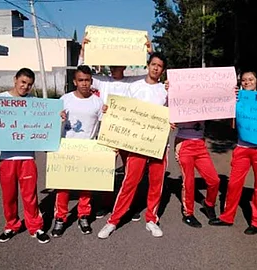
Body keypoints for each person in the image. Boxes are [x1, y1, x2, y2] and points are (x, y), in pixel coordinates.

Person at [0, 68, 51, 244]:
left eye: (29, 84)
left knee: (30, 196)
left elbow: (47, 122)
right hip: (6, 158)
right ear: (15, 80)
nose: (25, 87)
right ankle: (11, 225)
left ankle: (35, 227)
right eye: (23, 82)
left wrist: (56, 117)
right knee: (9, 195)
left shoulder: (34, 102)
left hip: (27, 157)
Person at [79, 34, 153, 220]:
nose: (113, 68)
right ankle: (106, 203)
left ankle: (132, 204)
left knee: (131, 171)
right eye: (111, 65)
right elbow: (83, 72)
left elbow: (151, 74)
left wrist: (149, 53)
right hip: (107, 130)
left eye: (117, 65)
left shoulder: (133, 81)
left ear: (125, 66)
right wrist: (83, 50)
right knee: (105, 168)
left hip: (127, 130)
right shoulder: (102, 81)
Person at [97, 52, 171, 239]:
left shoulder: (166, 90)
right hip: (136, 143)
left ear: (163, 70)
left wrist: (172, 121)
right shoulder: (134, 86)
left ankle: (151, 219)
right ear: (148, 65)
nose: (156, 68)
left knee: (156, 183)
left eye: (159, 66)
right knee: (130, 181)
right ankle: (113, 221)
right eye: (153, 64)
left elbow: (174, 112)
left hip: (158, 143)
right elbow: (123, 109)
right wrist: (109, 110)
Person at [209, 71, 257, 235]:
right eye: (243, 80)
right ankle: (227, 217)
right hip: (242, 148)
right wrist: (232, 101)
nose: (247, 82)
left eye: (250, 79)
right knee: (233, 184)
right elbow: (232, 124)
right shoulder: (237, 99)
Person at [50, 65, 104, 237]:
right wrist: (58, 120)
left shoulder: (98, 102)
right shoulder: (64, 100)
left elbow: (104, 126)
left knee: (86, 187)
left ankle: (84, 216)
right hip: (66, 148)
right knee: (63, 187)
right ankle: (60, 218)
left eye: (87, 80)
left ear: (91, 81)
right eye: (80, 80)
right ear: (74, 81)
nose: (84, 83)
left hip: (88, 149)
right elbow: (51, 122)